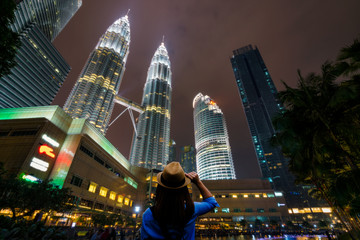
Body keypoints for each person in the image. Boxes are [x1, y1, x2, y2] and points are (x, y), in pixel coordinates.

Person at [141, 162, 219, 240]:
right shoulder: (191, 209)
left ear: (160, 189)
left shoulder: (149, 214)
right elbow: (211, 202)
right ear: (184, 190)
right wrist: (198, 182)